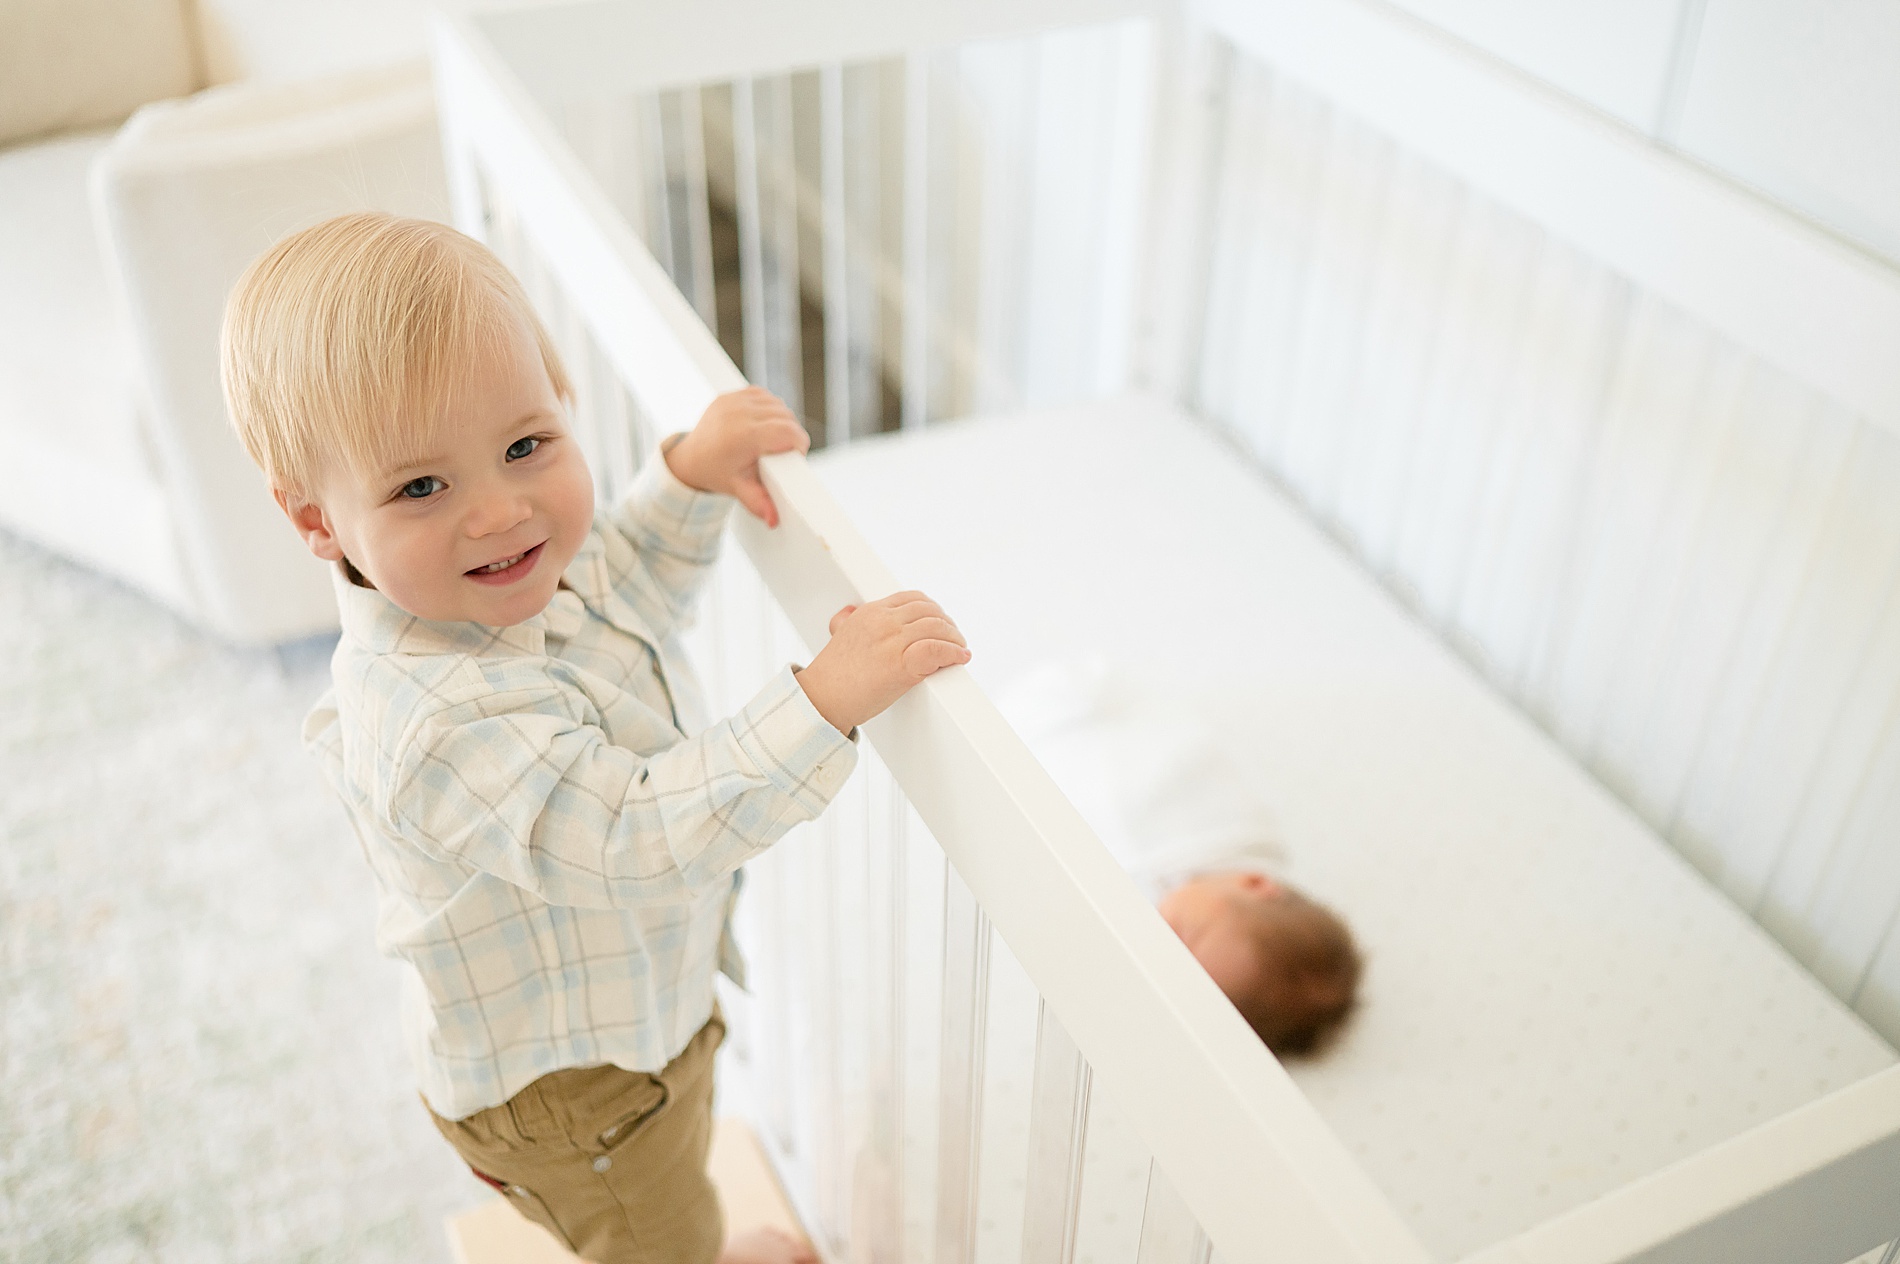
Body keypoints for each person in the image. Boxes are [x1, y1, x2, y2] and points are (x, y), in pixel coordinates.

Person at [220, 212, 970, 1264]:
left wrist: (689, 476)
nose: (500, 513)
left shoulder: (499, 581)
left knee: (676, 1173)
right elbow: (637, 836)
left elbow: (615, 580)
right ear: (316, 523)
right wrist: (820, 698)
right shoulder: (436, 722)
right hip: (575, 1095)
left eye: (526, 445)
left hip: (627, 1029)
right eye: (421, 486)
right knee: (656, 1235)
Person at [998, 660, 1361, 1055]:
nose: (1165, 941)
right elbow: (1177, 773)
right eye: (1188, 935)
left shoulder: (1183, 896)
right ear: (1255, 883)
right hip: (1101, 717)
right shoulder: (1231, 831)